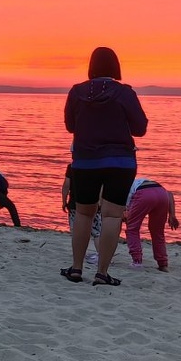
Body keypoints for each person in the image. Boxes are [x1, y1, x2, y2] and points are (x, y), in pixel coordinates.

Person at [61, 46, 148, 286]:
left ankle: (77, 268)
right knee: (112, 215)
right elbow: (140, 128)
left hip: (85, 160)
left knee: (83, 213)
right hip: (120, 161)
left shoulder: (76, 92)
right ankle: (102, 272)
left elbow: (70, 125)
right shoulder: (125, 93)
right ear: (115, 66)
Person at [125, 177, 178, 271]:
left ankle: (137, 261)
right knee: (158, 231)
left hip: (143, 193)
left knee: (132, 229)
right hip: (161, 193)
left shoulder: (123, 189)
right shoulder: (137, 181)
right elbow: (169, 194)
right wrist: (172, 215)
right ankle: (163, 263)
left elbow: (124, 212)